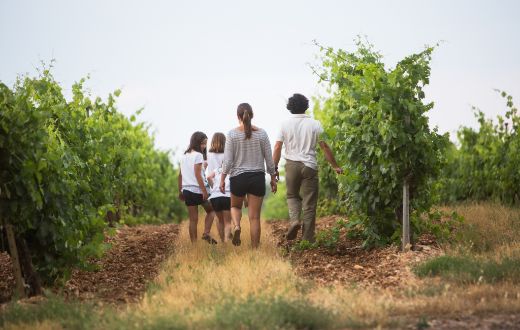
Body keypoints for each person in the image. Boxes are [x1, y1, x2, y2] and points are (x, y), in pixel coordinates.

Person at [272, 93, 343, 243]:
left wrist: (274, 168)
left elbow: (278, 146)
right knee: (309, 204)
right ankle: (307, 239)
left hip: (292, 165)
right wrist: (335, 166)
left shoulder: (284, 124)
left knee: (292, 196)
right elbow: (324, 146)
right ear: (306, 106)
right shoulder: (315, 124)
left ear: (290, 107)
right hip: (310, 166)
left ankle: (294, 221)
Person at [220, 103, 277, 248]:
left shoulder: (232, 134)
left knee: (235, 207)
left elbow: (227, 161)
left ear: (238, 116)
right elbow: (269, 159)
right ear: (252, 115)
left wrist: (222, 178)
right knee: (254, 218)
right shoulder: (262, 133)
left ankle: (237, 226)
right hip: (257, 177)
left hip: (238, 178)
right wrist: (273, 178)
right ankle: (255, 250)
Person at [178, 131, 217, 244]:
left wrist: (180, 191)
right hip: (197, 190)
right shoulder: (198, 155)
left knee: (193, 220)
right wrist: (204, 191)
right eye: (203, 143)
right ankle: (206, 233)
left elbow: (180, 175)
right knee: (212, 210)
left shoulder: (184, 156)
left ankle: (194, 246)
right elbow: (197, 175)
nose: (204, 146)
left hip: (186, 190)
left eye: (205, 144)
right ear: (196, 142)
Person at [206, 132, 232, 242]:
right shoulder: (228, 154)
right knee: (227, 221)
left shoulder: (209, 155)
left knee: (219, 219)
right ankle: (227, 241)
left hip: (215, 193)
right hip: (227, 192)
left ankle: (223, 243)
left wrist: (212, 187)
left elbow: (209, 175)